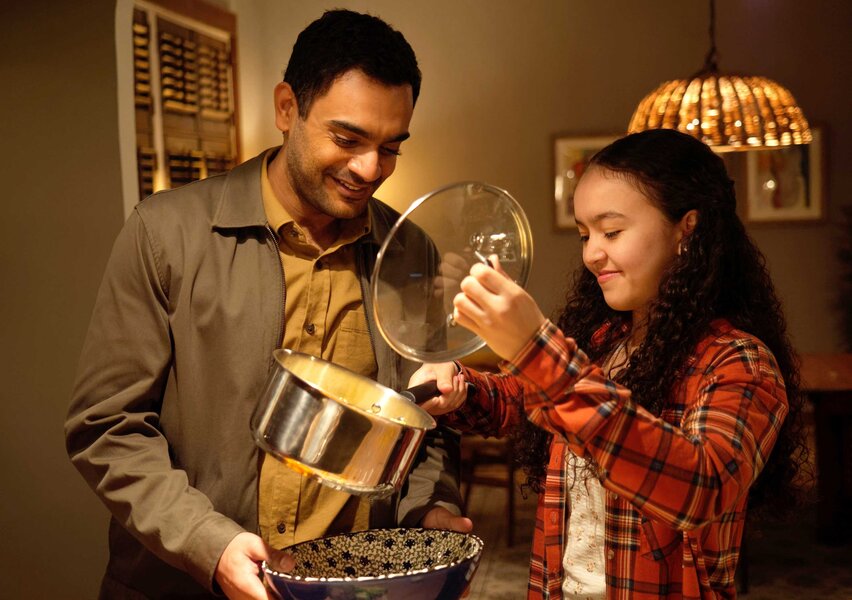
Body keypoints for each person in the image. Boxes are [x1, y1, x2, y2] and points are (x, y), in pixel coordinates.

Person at [66, 10, 470, 599]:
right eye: (347, 139)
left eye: (390, 148)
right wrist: (210, 542)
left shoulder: (409, 252)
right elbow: (106, 428)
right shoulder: (165, 233)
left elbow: (423, 426)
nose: (369, 169)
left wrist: (429, 508)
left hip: (344, 585)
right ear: (287, 109)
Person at [413, 129, 809, 599]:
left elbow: (700, 486)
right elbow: (517, 399)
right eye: (585, 233)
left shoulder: (739, 361)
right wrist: (456, 386)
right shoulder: (604, 340)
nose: (592, 252)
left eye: (612, 231)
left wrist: (536, 349)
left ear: (688, 228)